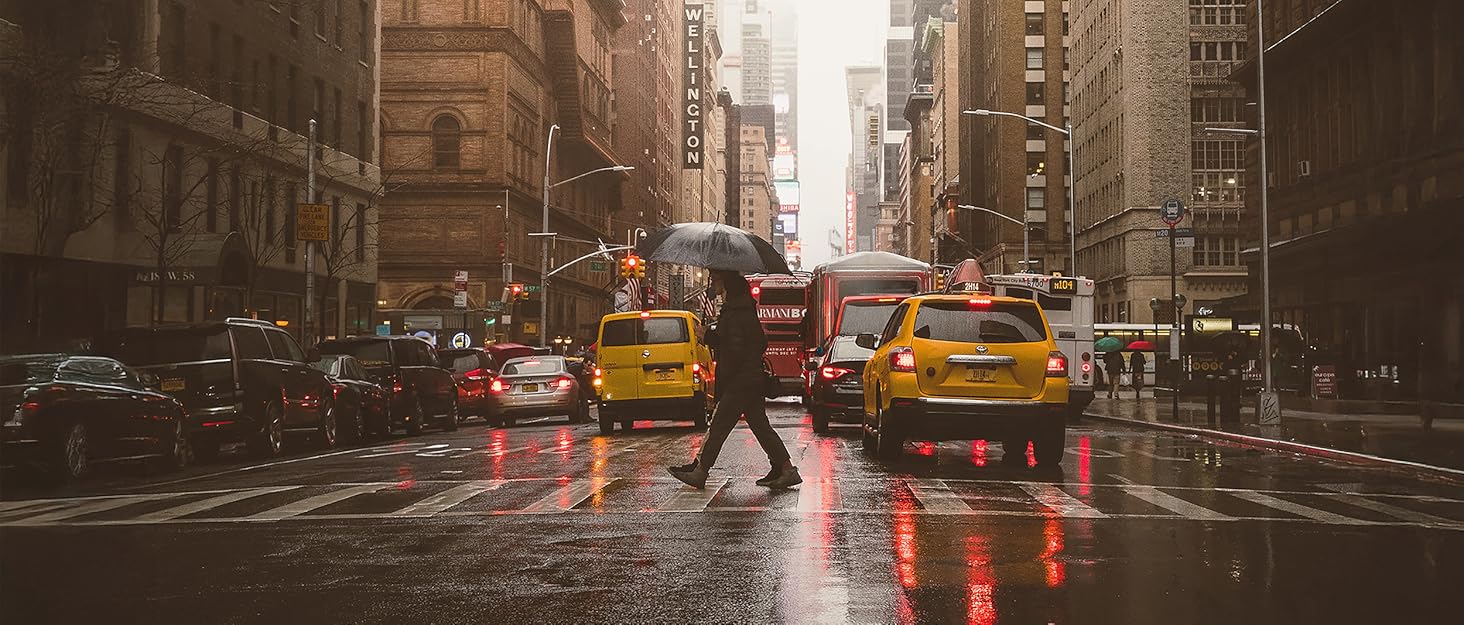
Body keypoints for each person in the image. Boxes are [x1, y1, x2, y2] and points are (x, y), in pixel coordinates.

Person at [669, 270, 802, 490]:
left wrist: (708, 337)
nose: (715, 285)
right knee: (760, 426)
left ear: (728, 284)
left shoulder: (737, 312)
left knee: (719, 425)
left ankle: (700, 470)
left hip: (740, 381)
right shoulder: (740, 310)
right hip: (749, 379)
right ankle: (786, 469)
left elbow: (734, 348)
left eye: (718, 280)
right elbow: (750, 342)